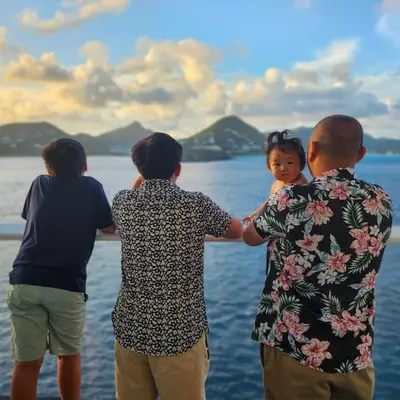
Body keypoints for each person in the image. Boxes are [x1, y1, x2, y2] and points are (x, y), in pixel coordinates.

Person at [242, 115, 393, 400]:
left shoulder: (291, 199)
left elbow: (250, 237)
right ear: (360, 154)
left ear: (310, 150)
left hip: (295, 349)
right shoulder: (381, 200)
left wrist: (270, 205)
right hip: (355, 354)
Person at [111, 132, 243, 400]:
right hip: (179, 331)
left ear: (138, 168)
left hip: (132, 327)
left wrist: (144, 178)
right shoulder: (195, 203)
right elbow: (236, 229)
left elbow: (137, 192)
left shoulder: (123, 201)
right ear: (178, 169)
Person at [7, 138, 115, 400]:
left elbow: (29, 216)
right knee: (68, 356)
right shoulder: (91, 187)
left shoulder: (38, 184)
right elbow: (109, 226)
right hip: (66, 284)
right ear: (85, 165)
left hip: (25, 279)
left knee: (26, 363)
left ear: (48, 166)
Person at [242, 130, 308, 224]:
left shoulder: (300, 185)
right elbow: (270, 202)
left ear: (301, 164)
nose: (283, 168)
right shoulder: (276, 184)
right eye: (277, 164)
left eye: (289, 162)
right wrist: (256, 213)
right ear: (269, 167)